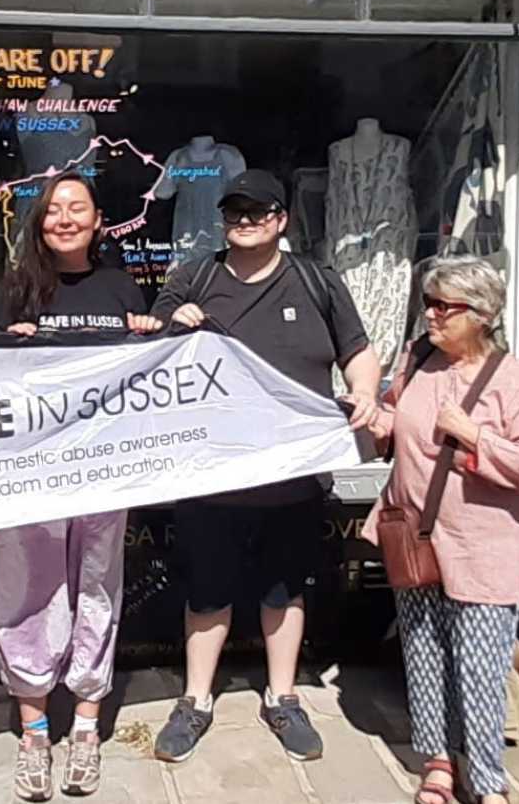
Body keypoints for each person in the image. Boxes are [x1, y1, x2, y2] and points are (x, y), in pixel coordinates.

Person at [148, 168, 381, 764]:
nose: (245, 222)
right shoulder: (192, 278)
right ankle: (195, 701)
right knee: (207, 595)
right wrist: (176, 325)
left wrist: (365, 392)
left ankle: (283, 698)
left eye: (257, 212)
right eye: (234, 213)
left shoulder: (317, 280)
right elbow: (149, 354)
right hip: (211, 476)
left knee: (285, 591)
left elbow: (358, 351)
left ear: (281, 220)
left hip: (294, 478)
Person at [0, 172, 161, 801]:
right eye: (53, 209)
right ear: (40, 222)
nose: (64, 219)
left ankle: (85, 724)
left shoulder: (120, 287)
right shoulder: (15, 289)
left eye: (76, 208)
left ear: (98, 220)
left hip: (103, 469)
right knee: (25, 590)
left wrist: (153, 336)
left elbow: (144, 372)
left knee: (96, 587)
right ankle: (33, 729)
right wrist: (4, 346)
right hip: (29, 473)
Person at [362, 257, 519, 804]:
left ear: (482, 315)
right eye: (429, 303)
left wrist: (474, 436)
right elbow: (395, 419)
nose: (431, 315)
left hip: (482, 546)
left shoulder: (513, 381)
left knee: (480, 668)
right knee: (423, 656)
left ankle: (488, 780)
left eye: (445, 307)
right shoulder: (418, 359)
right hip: (416, 538)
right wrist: (377, 420)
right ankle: (438, 765)